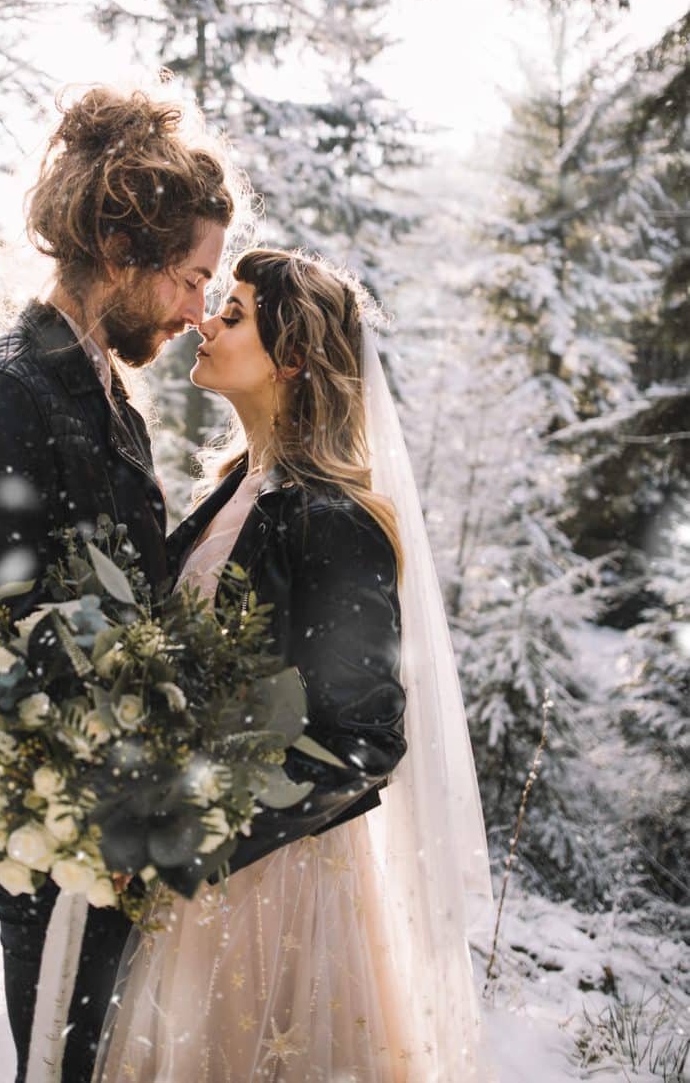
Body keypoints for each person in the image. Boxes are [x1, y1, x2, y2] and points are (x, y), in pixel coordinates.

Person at [91, 249, 497, 1083]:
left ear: (297, 358)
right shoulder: (235, 490)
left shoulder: (335, 519)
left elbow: (364, 738)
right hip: (194, 884)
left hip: (272, 892)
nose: (205, 319)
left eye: (233, 315)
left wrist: (194, 837)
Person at [0, 85, 236, 1083]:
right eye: (190, 278)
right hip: (58, 835)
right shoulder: (6, 395)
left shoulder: (108, 396)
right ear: (119, 254)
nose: (197, 310)